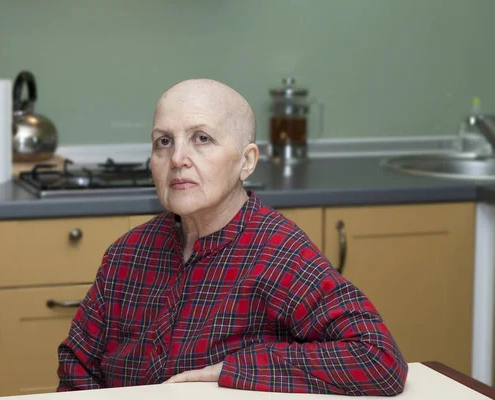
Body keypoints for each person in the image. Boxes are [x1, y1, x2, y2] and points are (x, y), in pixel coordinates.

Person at [56, 78, 408, 395]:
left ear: (247, 161)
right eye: (163, 141)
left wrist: (233, 369)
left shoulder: (279, 252)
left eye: (202, 138)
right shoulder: (127, 254)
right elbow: (77, 367)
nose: (177, 158)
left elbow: (378, 358)